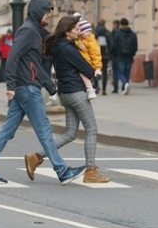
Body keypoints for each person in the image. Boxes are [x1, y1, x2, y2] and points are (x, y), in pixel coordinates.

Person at [0, 0, 86, 185]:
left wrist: (50, 87)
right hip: (26, 87)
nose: (49, 16)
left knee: (7, 131)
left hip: (26, 86)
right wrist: (10, 85)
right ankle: (62, 171)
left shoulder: (34, 31)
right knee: (44, 130)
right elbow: (12, 58)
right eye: (46, 13)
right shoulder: (28, 31)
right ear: (37, 12)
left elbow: (33, 63)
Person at [24, 16, 110, 183]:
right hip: (76, 92)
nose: (79, 31)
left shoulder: (59, 46)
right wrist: (93, 68)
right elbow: (88, 70)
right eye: (77, 28)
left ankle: (36, 157)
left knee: (70, 133)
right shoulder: (68, 49)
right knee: (91, 130)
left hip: (66, 93)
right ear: (67, 31)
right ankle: (91, 171)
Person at [73, 14, 102, 100]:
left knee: (84, 76)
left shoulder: (91, 42)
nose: (88, 33)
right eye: (86, 31)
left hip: (86, 63)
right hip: (81, 62)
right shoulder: (79, 40)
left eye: (90, 31)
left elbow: (96, 55)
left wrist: (97, 68)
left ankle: (90, 89)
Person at [113, 18, 138, 95]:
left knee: (120, 73)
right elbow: (135, 46)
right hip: (129, 56)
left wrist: (115, 54)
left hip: (120, 56)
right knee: (127, 73)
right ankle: (124, 88)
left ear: (121, 24)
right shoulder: (133, 34)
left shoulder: (117, 34)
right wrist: (133, 53)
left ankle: (125, 84)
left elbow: (115, 45)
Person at [93, 19, 112, 96]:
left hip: (96, 55)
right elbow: (111, 44)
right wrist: (109, 52)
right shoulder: (108, 33)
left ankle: (97, 86)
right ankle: (104, 89)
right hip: (105, 55)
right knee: (104, 72)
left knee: (96, 71)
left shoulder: (94, 33)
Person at [110, 19, 121, 94]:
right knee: (120, 71)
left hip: (115, 55)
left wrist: (111, 52)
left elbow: (112, 44)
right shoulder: (120, 32)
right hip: (121, 55)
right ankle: (123, 85)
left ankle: (116, 87)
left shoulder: (114, 33)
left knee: (115, 72)